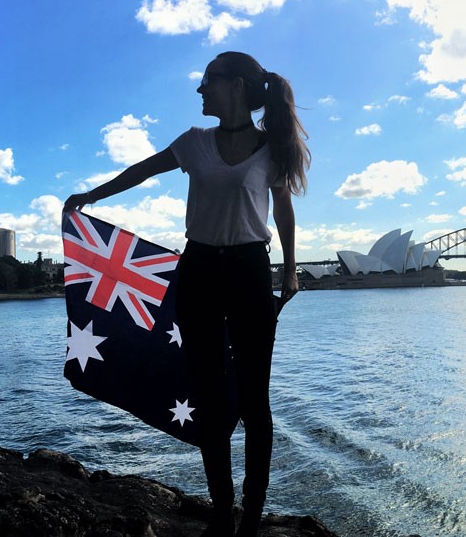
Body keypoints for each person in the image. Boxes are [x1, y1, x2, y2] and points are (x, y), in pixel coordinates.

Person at [64, 51, 310, 536]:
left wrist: (289, 270)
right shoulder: (194, 143)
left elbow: (282, 212)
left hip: (248, 272)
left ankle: (251, 519)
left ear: (235, 86)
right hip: (198, 271)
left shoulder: (271, 149)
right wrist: (92, 196)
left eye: (207, 83)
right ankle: (223, 513)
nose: (200, 91)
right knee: (209, 398)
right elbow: (142, 170)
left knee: (255, 402)